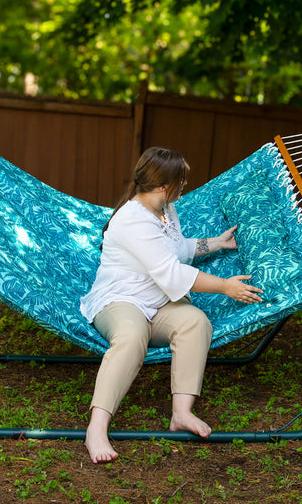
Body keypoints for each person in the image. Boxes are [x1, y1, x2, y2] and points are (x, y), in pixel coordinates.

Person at [80, 146, 263, 463]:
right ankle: (96, 428)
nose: (186, 185)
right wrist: (224, 286)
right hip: (120, 300)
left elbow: (176, 250)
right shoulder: (132, 221)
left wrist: (216, 243)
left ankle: (181, 413)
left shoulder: (165, 209)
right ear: (164, 185)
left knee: (195, 321)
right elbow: (171, 272)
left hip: (159, 303)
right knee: (131, 336)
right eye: (182, 180)